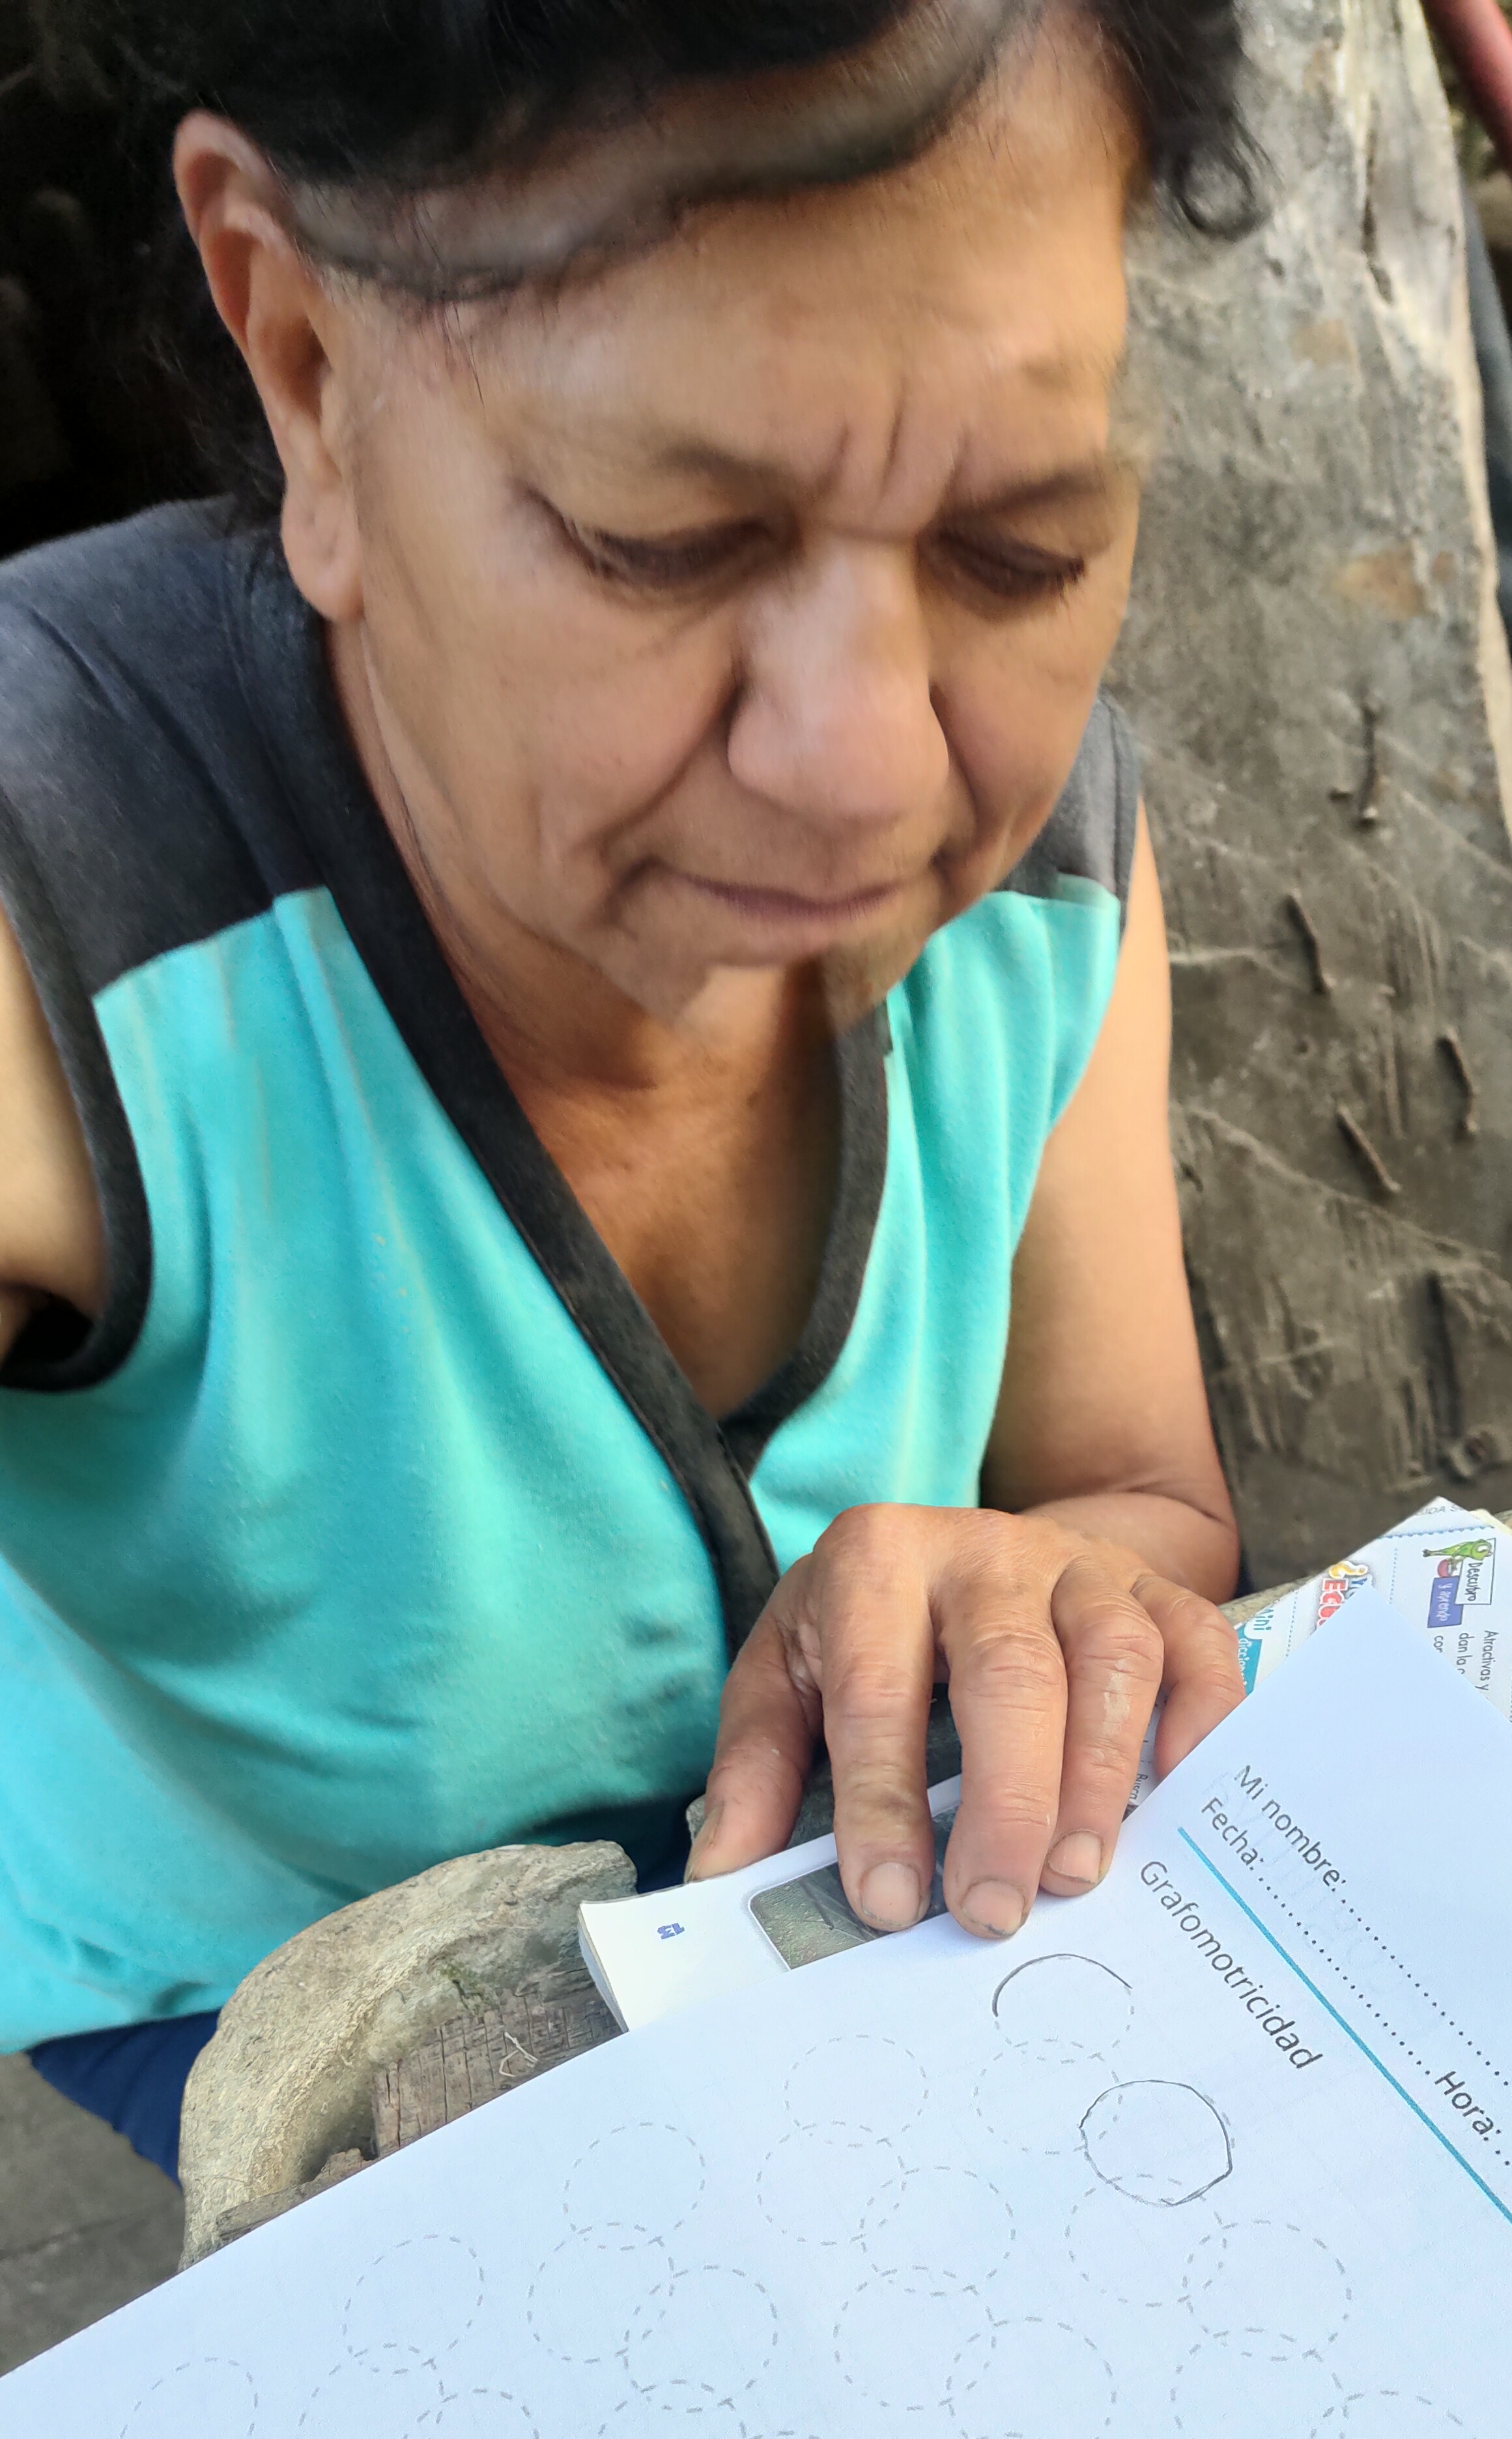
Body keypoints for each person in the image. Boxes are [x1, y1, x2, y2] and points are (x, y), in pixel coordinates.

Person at [0, 0, 1253, 2177]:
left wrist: (1031, 1586)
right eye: (663, 540)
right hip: (240, 1964)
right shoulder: (72, 902)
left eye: (1020, 549)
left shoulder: (1045, 869)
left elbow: (1134, 1490)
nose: (868, 767)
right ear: (304, 362)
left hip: (832, 1882)